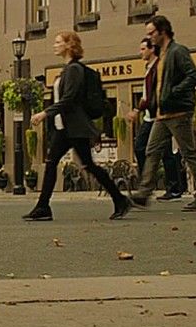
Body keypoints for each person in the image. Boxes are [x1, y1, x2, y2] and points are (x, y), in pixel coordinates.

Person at [26, 31, 131, 221]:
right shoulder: (67, 69)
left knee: (88, 165)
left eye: (58, 42)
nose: (54, 45)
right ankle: (43, 207)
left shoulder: (74, 69)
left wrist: (45, 113)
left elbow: (69, 99)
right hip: (64, 128)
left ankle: (119, 199)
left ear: (69, 45)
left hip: (74, 127)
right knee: (53, 163)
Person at [131, 15, 196, 211]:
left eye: (151, 33)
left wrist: (173, 92)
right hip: (163, 113)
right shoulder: (161, 55)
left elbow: (193, 76)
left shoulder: (177, 51)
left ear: (162, 31)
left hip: (178, 112)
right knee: (151, 149)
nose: (149, 37)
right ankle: (144, 192)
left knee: (189, 152)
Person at [127, 37, 184, 200]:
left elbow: (153, 95)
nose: (141, 52)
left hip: (158, 115)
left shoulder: (158, 67)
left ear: (152, 49)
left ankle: (173, 188)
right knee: (140, 147)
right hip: (150, 116)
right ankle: (149, 183)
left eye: (143, 49)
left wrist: (137, 109)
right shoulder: (148, 68)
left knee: (166, 152)